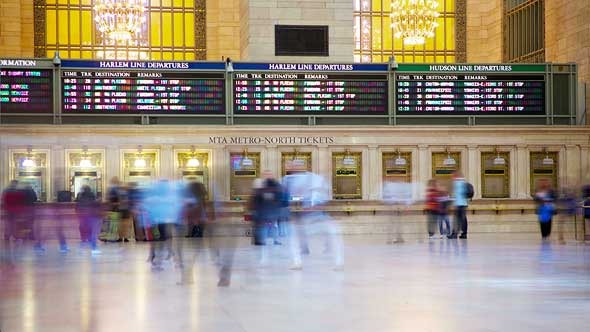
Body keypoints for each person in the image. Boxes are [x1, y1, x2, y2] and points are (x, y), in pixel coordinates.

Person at [76, 185, 102, 254]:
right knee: (92, 231)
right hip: (91, 215)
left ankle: (83, 243)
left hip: (83, 215)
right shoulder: (91, 195)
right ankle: (93, 248)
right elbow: (94, 203)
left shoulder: (80, 196)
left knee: (83, 228)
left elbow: (77, 205)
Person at [449, 171, 469, 239]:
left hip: (458, 203)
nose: (451, 177)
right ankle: (464, 234)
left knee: (456, 219)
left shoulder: (456, 183)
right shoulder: (464, 182)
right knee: (463, 219)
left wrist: (454, 204)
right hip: (464, 203)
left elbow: (455, 194)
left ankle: (454, 234)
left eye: (452, 175)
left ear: (455, 175)